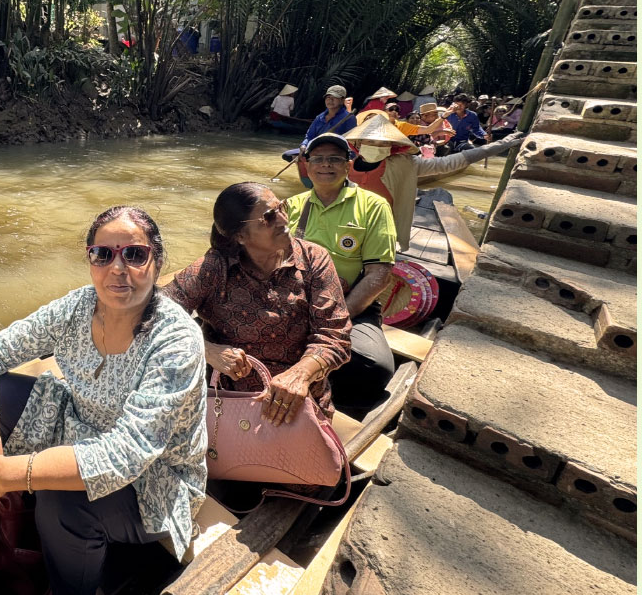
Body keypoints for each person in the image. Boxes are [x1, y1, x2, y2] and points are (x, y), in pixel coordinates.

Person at [0, 207, 207, 595]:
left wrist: (9, 474)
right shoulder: (77, 307)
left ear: (158, 261)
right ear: (90, 259)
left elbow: (126, 453)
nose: (118, 268)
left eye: (134, 254)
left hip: (153, 479)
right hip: (78, 426)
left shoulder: (177, 338)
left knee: (63, 500)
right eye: (102, 254)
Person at [165, 183, 351, 421]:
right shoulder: (215, 267)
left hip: (301, 402)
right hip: (226, 403)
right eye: (269, 217)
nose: (284, 221)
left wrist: (301, 375)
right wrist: (205, 350)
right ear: (240, 236)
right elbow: (154, 314)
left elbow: (335, 335)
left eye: (281, 208)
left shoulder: (314, 259)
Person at [284, 133, 397, 419]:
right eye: (318, 159)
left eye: (334, 158)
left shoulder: (373, 206)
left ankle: (334, 404)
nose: (326, 165)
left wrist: (336, 316)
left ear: (348, 165)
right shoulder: (292, 206)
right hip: (296, 299)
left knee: (375, 366)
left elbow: (379, 274)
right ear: (306, 166)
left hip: (351, 305)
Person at [345, 112, 525, 249]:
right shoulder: (343, 166)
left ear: (392, 145)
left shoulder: (405, 165)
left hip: (382, 230)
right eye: (370, 141)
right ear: (358, 143)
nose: (377, 147)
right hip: (347, 227)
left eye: (383, 143)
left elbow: (449, 162)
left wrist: (500, 145)